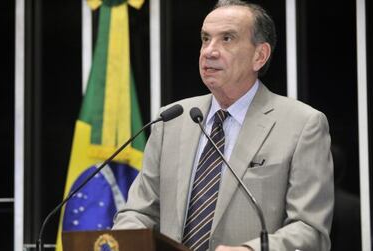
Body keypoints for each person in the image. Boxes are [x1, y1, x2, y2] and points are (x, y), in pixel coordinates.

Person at [113, 0, 334, 250]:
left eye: (227, 39)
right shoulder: (172, 120)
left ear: (259, 56)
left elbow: (310, 230)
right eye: (206, 39)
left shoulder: (302, 125)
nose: (209, 51)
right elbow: (140, 212)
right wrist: (118, 240)